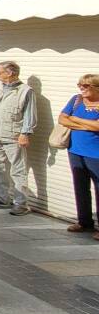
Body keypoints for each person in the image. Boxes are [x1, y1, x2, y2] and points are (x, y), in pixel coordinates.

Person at [0, 61, 37, 216]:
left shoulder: (26, 91)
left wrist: (25, 133)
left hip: (13, 136)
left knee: (18, 170)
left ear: (11, 73)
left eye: (0, 72)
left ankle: (21, 203)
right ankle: (1, 197)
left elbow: (30, 115)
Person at [59, 74, 99, 239]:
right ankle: (84, 222)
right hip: (75, 150)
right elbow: (62, 119)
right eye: (80, 85)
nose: (81, 88)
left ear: (96, 88)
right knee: (80, 186)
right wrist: (86, 125)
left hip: (95, 153)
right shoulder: (76, 100)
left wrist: (75, 119)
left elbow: (98, 126)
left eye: (85, 86)